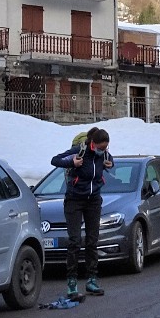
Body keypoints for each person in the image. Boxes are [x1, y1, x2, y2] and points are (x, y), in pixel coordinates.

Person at [51, 126, 114, 299]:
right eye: (101, 148)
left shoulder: (104, 154)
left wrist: (110, 163)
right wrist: (72, 162)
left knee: (92, 241)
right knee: (75, 241)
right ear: (93, 143)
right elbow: (55, 160)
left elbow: (110, 161)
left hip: (93, 200)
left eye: (106, 148)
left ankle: (92, 280)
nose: (104, 151)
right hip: (74, 199)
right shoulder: (80, 151)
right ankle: (72, 283)